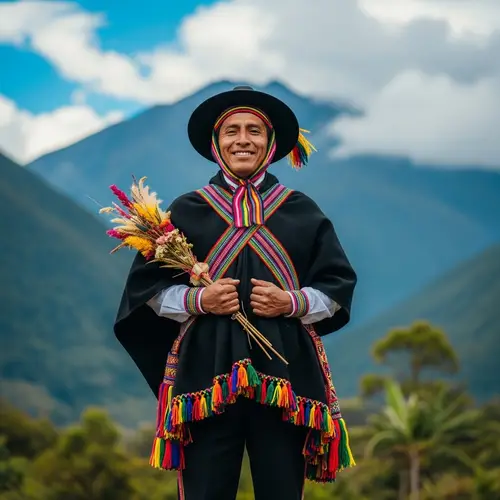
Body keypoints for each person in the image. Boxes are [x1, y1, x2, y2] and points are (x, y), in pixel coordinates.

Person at [113, 85, 357, 500]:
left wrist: (290, 302)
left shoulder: (302, 209)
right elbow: (147, 292)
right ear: (216, 144)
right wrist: (198, 301)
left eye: (254, 131)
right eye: (231, 131)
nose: (243, 139)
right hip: (204, 379)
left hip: (286, 379)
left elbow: (337, 287)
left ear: (271, 144)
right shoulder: (186, 210)